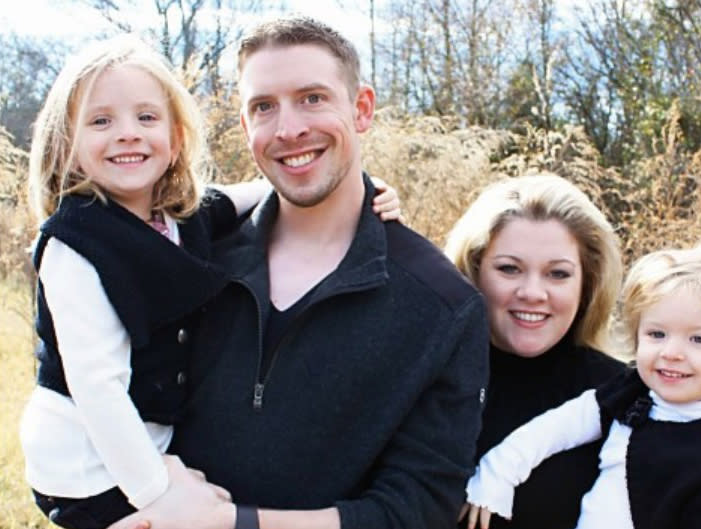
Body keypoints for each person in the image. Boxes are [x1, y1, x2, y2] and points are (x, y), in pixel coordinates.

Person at [111, 15, 490, 529]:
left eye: (313, 98)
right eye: (264, 107)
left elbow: (417, 507)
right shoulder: (190, 253)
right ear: (246, 127)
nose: (289, 129)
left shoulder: (442, 305)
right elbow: (96, 397)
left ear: (361, 109)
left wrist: (234, 524)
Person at [19, 35, 401, 529]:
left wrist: (362, 188)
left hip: (146, 449)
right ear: (66, 146)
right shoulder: (75, 246)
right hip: (86, 466)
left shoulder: (180, 219)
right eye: (100, 121)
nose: (128, 133)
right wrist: (160, 498)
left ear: (176, 138)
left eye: (147, 117)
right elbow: (99, 391)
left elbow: (263, 189)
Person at [464, 240, 701, 529]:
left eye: (698, 339)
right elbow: (559, 426)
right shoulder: (634, 390)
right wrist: (497, 474)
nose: (670, 353)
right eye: (656, 334)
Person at [445, 173, 626, 529]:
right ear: (474, 271)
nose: (532, 292)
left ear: (586, 283)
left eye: (557, 274)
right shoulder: (430, 379)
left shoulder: (624, 395)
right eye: (509, 269)